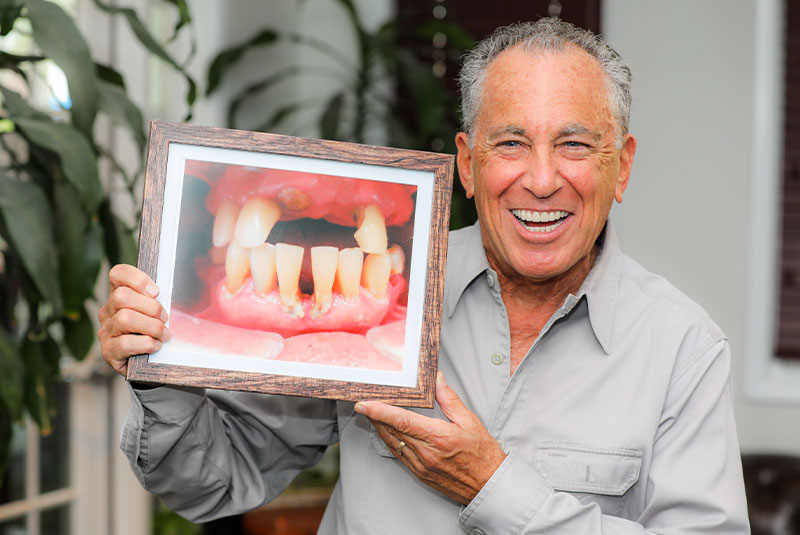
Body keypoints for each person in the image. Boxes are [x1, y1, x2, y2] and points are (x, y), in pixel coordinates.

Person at [98, 18, 750, 534]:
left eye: (575, 144)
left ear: (622, 167)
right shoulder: (371, 292)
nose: (543, 179)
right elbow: (213, 481)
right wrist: (164, 366)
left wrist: (492, 486)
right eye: (511, 143)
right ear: (467, 164)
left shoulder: (683, 350)